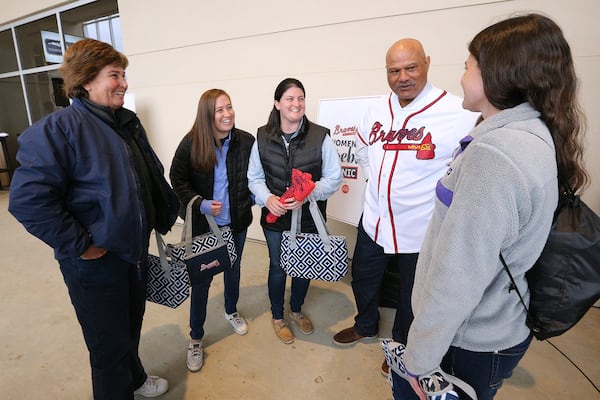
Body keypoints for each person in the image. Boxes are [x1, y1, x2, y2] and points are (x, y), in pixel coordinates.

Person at [400, 14, 589, 400]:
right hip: (497, 328)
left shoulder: (494, 156)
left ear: (498, 74)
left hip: (465, 341)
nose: (462, 76)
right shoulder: (529, 135)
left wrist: (418, 359)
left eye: (468, 65)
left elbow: (457, 277)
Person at [8, 38, 180, 400]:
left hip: (131, 254)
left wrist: (162, 212)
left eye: (124, 74)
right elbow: (28, 201)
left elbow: (143, 177)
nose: (124, 83)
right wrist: (80, 245)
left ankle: (134, 379)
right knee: (107, 349)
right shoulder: (56, 131)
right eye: (114, 75)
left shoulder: (123, 124)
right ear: (86, 80)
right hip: (95, 263)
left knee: (129, 327)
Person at [332, 37, 479, 396]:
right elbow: (365, 149)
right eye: (394, 70)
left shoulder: (458, 112)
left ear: (427, 63)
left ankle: (399, 346)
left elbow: (466, 169)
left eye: (410, 67)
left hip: (420, 227)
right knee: (363, 278)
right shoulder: (377, 110)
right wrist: (377, 186)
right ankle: (366, 324)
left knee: (412, 295)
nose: (403, 77)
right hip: (375, 219)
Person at [248, 77, 343, 344]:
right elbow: (254, 178)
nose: (296, 103)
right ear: (277, 103)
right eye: (290, 98)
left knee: (304, 267)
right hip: (276, 219)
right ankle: (278, 316)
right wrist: (267, 199)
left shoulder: (319, 135)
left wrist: (308, 193)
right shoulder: (262, 137)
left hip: (309, 218)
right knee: (278, 267)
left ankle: (297, 309)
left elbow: (334, 178)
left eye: (300, 98)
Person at [169, 88, 255, 372]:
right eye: (219, 110)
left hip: (236, 222)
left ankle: (231, 310)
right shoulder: (191, 143)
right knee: (202, 280)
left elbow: (254, 177)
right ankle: (196, 337)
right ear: (207, 114)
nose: (227, 114)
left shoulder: (245, 141)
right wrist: (202, 205)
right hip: (206, 226)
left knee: (233, 269)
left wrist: (254, 196)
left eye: (229, 107)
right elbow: (177, 179)